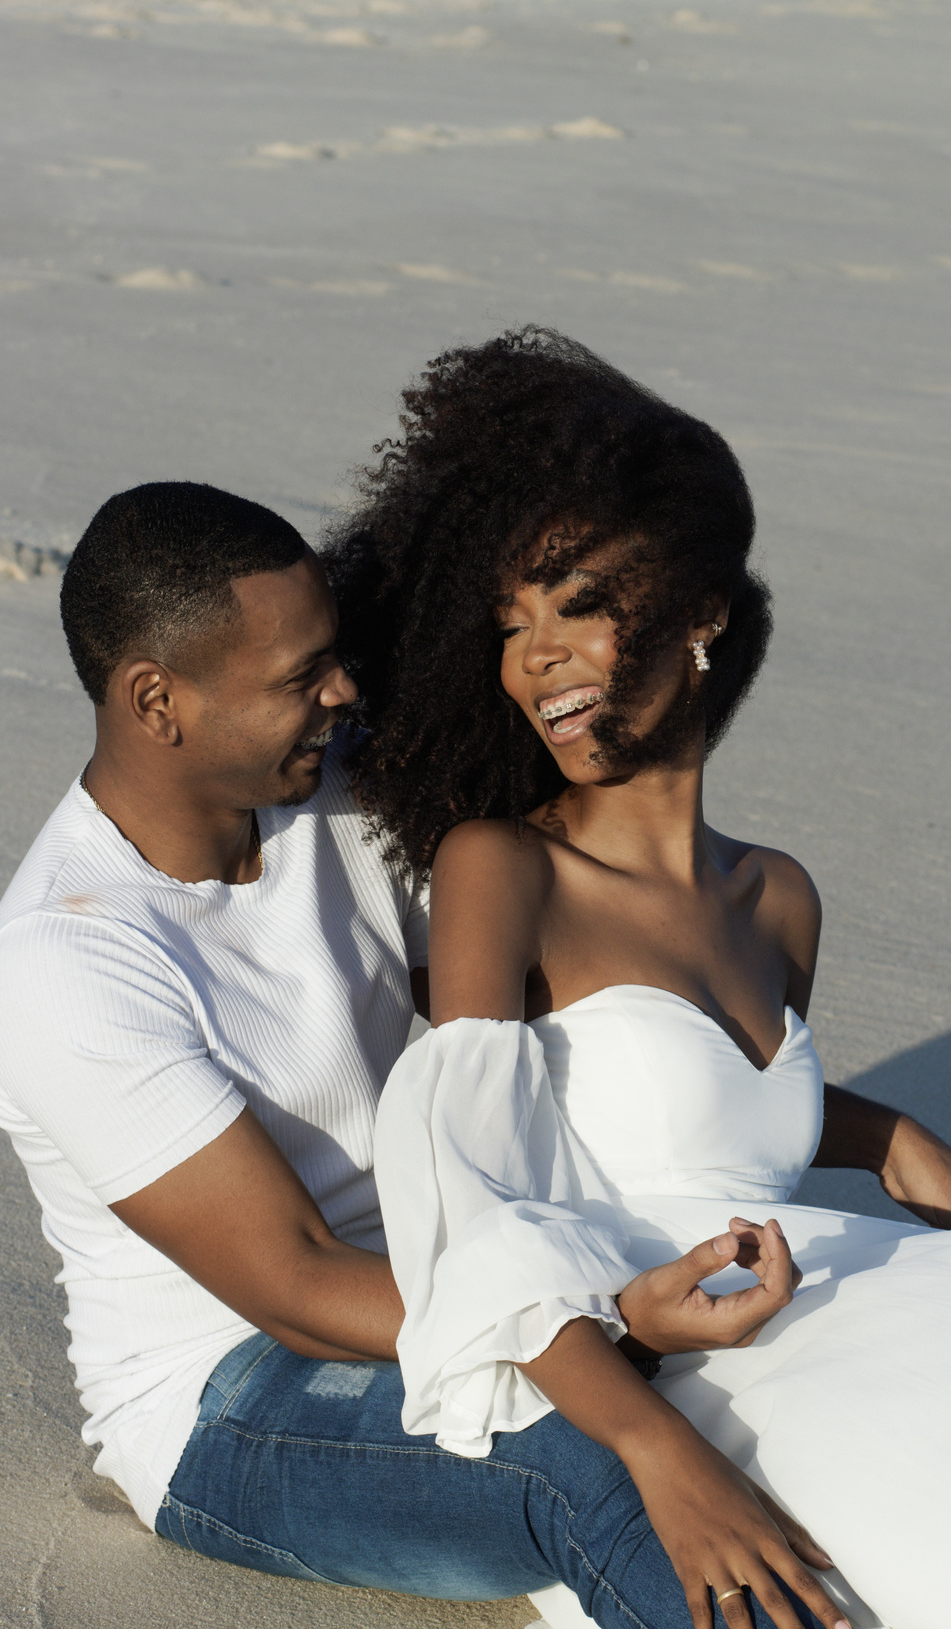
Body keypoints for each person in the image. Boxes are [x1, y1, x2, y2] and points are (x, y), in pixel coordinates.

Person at [326, 327, 951, 1629]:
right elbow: (475, 1208)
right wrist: (654, 1453)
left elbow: (695, 1112)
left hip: (837, 1288)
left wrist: (882, 1132)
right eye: (510, 626)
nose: (536, 656)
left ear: (702, 611)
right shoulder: (504, 869)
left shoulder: (778, 896)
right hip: (696, 1363)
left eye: (578, 604)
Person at [0, 480, 861, 1629]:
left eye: (337, 657)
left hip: (482, 1263)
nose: (343, 693)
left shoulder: (339, 791)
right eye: (301, 677)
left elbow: (574, 1005)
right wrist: (603, 1319)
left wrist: (878, 1135)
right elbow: (297, 1281)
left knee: (815, 1376)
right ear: (158, 701)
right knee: (594, 1463)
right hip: (233, 1390)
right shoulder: (67, 958)